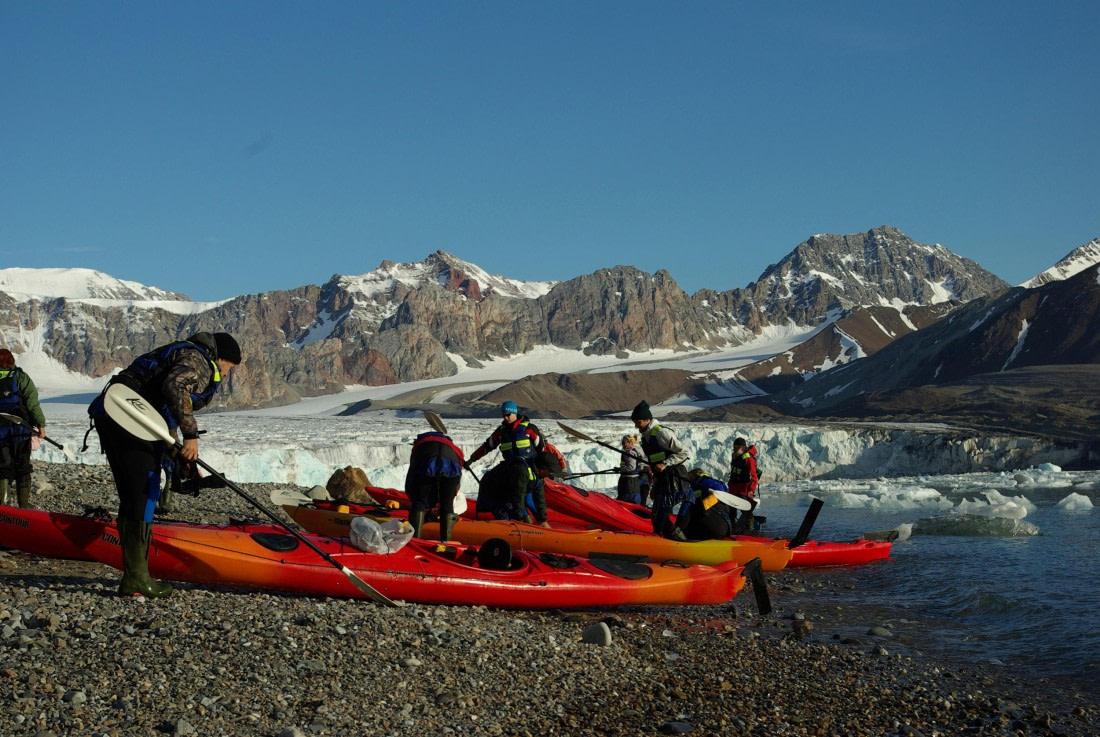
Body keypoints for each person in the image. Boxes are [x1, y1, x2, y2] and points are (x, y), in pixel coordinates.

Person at [87, 332, 241, 598]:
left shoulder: (182, 354)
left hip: (114, 414)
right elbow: (176, 387)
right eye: (230, 366)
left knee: (133, 495)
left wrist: (177, 454)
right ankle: (136, 578)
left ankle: (135, 576)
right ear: (222, 358)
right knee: (144, 493)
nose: (227, 374)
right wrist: (191, 435)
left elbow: (163, 421)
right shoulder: (199, 360)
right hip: (129, 419)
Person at [467, 400, 550, 520]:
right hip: (511, 474)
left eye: (508, 415)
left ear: (514, 413)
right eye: (503, 415)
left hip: (529, 473)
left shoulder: (529, 429)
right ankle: (525, 522)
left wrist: (545, 469)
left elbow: (542, 449)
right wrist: (472, 459)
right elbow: (487, 446)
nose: (505, 418)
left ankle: (543, 523)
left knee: (528, 500)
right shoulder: (501, 432)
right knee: (517, 499)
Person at [631, 400, 693, 538]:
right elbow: (655, 465)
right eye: (635, 422)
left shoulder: (661, 433)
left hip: (674, 480)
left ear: (647, 420)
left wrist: (665, 463)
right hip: (662, 481)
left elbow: (683, 452)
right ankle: (667, 539)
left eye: (638, 422)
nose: (636, 426)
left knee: (660, 516)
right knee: (658, 516)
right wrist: (655, 486)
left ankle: (680, 541)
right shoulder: (646, 437)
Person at [0, 348, 46, 508]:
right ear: (11, 361)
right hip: (20, 430)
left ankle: (4, 507)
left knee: (3, 466)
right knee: (23, 467)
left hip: (0, 431)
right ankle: (23, 508)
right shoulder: (21, 377)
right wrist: (40, 424)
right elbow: (32, 403)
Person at [405, 430, 465, 544]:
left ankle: (414, 541)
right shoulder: (453, 447)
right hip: (451, 469)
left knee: (419, 502)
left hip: (426, 465)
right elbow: (457, 476)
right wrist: (452, 494)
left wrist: (414, 499)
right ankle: (446, 542)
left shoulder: (420, 446)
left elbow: (412, 477)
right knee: (447, 504)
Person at [475, 449, 560, 526]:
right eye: (550, 471)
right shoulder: (521, 470)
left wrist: (543, 520)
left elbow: (539, 499)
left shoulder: (539, 477)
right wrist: (519, 522)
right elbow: (518, 497)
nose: (551, 474)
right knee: (507, 521)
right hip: (492, 490)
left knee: (521, 518)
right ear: (542, 469)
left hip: (509, 493)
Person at [666, 468, 733, 541]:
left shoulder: (705, 481)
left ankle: (678, 534)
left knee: (689, 502)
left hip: (716, 524)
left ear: (693, 474)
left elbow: (718, 490)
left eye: (689, 475)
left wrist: (678, 527)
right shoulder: (702, 485)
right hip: (722, 527)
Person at [728, 437, 760, 533]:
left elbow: (754, 477)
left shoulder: (748, 458)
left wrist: (751, 490)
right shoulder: (735, 456)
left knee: (746, 511)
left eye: (736, 448)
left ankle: (750, 531)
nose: (734, 449)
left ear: (742, 448)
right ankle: (733, 530)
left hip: (743, 490)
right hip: (733, 489)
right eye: (734, 447)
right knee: (731, 511)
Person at [616, 434, 645, 504]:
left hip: (629, 483)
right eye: (622, 442)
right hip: (634, 482)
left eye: (624, 442)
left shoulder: (629, 452)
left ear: (629, 442)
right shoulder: (635, 450)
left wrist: (621, 469)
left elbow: (631, 467)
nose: (622, 444)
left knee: (626, 501)